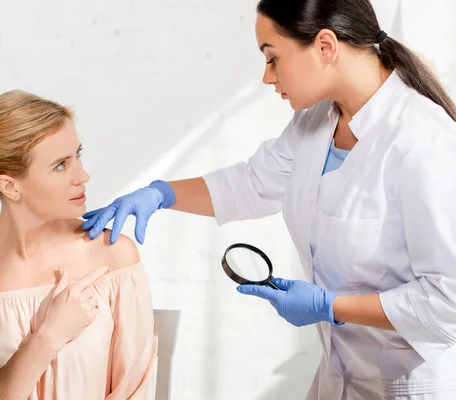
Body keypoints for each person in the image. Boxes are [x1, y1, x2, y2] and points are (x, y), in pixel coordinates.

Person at [81, 0, 456, 398]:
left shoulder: (423, 143)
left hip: (410, 387)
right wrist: (161, 193)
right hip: (337, 379)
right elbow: (252, 183)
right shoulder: (316, 121)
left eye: (273, 58)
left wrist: (331, 306)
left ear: (326, 47)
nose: (267, 77)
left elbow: (448, 302)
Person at [0, 90, 157, 400]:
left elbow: (135, 391)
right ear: (10, 186)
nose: (83, 175)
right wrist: (49, 336)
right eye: (61, 165)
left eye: (78, 155)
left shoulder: (113, 256)